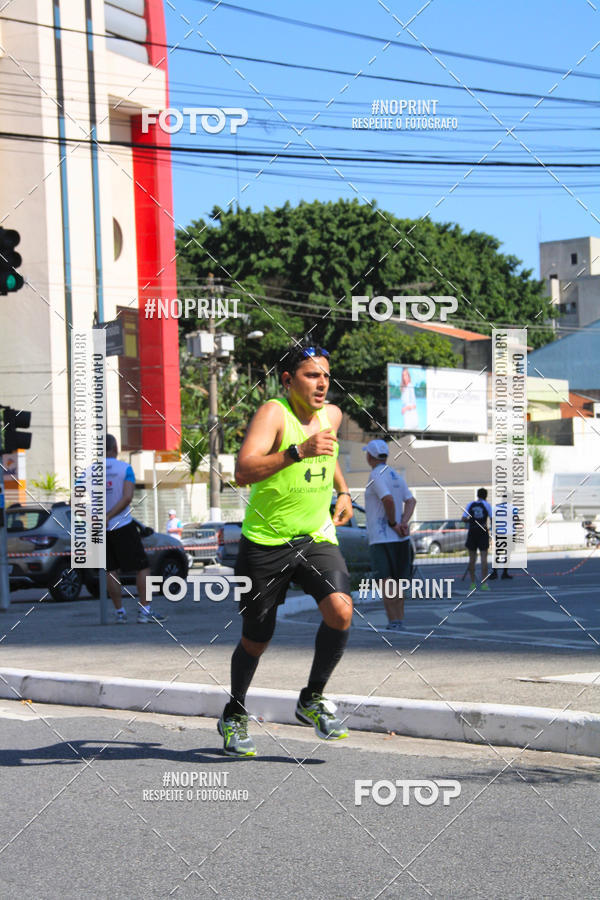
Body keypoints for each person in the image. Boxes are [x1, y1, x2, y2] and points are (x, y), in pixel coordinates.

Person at [218, 341, 354, 757]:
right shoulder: (273, 414)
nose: (322, 383)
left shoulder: (331, 415)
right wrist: (297, 451)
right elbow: (242, 471)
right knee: (256, 640)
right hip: (265, 541)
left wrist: (343, 491)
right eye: (312, 375)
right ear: (287, 380)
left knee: (341, 609)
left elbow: (328, 454)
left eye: (326, 376)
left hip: (315, 535)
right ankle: (235, 712)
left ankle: (312, 698)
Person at [105, 434, 165, 624]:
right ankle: (144, 610)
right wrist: (110, 515)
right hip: (122, 524)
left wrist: (97, 518)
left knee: (110, 569)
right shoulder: (125, 469)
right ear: (115, 449)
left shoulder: (89, 471)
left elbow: (77, 501)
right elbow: (127, 497)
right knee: (142, 566)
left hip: (100, 529)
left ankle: (119, 613)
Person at [363, 440, 416, 630]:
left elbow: (386, 499)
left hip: (381, 537)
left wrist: (394, 523)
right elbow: (410, 501)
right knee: (399, 581)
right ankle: (399, 620)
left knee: (385, 580)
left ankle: (393, 621)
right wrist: (404, 523)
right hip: (401, 538)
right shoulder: (395, 474)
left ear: (370, 456)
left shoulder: (375, 475)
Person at [462, 487, 493, 591]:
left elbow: (463, 518)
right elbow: (492, 518)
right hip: (483, 532)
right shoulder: (487, 505)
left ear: (477, 495)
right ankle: (484, 583)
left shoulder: (470, 504)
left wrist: (471, 520)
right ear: (486, 496)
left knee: (472, 559)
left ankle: (472, 583)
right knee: (484, 559)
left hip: (472, 532)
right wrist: (492, 531)